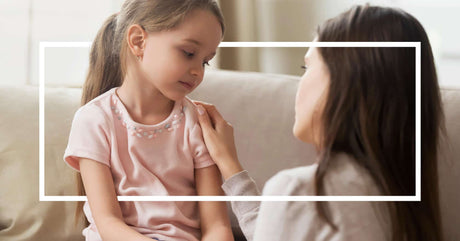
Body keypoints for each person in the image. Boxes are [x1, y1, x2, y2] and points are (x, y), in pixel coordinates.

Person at [195, 4, 444, 241]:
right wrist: (230, 166)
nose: (299, 83)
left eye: (307, 66)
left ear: (344, 82)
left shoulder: (299, 191)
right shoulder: (401, 200)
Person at [63, 1, 233, 241]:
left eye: (205, 61)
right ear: (138, 41)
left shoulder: (198, 122)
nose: (198, 71)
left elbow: (217, 227)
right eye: (189, 53)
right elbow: (108, 223)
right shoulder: (94, 120)